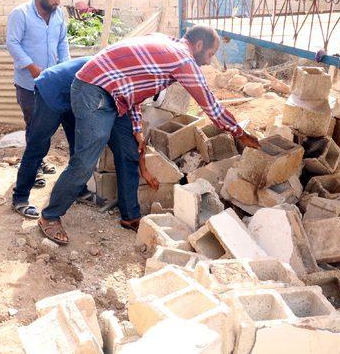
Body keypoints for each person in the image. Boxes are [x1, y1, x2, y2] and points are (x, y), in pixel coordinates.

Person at [38, 26, 261, 245]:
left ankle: (130, 216)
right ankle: (50, 216)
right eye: (210, 54)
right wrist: (239, 133)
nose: (209, 61)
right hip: (93, 90)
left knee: (128, 152)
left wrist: (136, 129)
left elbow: (133, 87)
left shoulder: (165, 43)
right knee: (86, 160)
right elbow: (210, 104)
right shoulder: (182, 59)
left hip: (117, 95)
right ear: (199, 44)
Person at [12, 56, 159, 222]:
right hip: (53, 90)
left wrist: (137, 130)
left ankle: (79, 191)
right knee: (38, 145)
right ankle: (20, 197)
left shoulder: (130, 76)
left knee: (80, 147)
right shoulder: (120, 70)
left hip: (79, 97)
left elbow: (132, 102)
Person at [6, 0, 70, 187]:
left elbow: (62, 43)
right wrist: (31, 66)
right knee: (34, 126)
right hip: (28, 83)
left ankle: (38, 161)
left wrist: (65, 68)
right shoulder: (21, 14)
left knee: (46, 125)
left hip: (51, 84)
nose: (57, 2)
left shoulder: (58, 14)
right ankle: (32, 169)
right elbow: (13, 43)